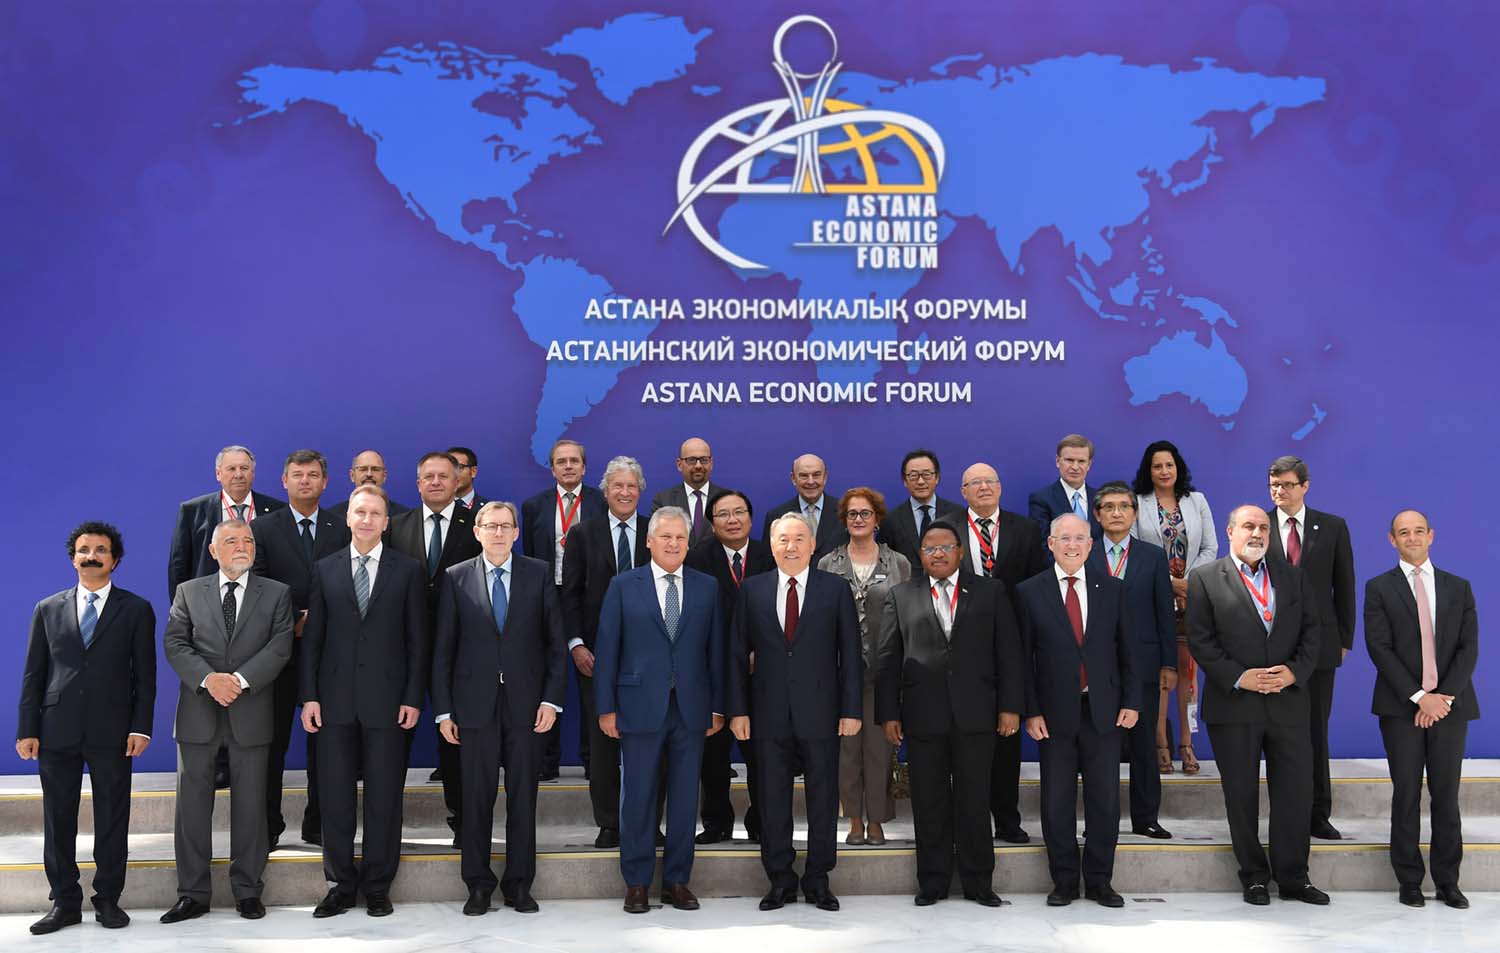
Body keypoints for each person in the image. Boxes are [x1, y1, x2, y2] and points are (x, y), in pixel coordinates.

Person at [16, 522, 156, 935]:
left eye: (100, 550)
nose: (91, 556)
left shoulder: (136, 609)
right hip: (56, 729)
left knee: (112, 817)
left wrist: (141, 728)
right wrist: (27, 729)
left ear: (115, 560)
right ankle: (64, 902)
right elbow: (34, 674)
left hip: (114, 731)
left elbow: (145, 676)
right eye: (83, 550)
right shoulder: (47, 608)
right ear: (73, 558)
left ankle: (108, 899)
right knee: (58, 818)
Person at [875, 519, 1021, 908]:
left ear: (959, 552)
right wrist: (888, 713)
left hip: (978, 714)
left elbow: (1009, 652)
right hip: (923, 716)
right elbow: (887, 659)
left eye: (945, 547)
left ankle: (978, 881)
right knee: (929, 801)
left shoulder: (990, 591)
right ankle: (933, 881)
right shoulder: (901, 595)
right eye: (929, 548)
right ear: (920, 555)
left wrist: (1010, 707)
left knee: (974, 799)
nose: (937, 554)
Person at [1185, 505, 1326, 906]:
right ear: (1230, 531)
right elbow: (1200, 639)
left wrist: (1294, 673)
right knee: (1241, 795)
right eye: (1249, 526)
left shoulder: (1293, 576)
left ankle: (1294, 878)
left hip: (1288, 703)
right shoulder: (1205, 578)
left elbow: (1313, 632)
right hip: (1234, 706)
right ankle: (1254, 877)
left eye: (1263, 527)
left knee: (1295, 794)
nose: (1258, 533)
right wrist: (1238, 676)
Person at [433, 501, 566, 916]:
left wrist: (551, 700)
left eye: (506, 526)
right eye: (490, 526)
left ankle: (519, 884)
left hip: (527, 707)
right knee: (476, 798)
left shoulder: (538, 573)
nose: (498, 533)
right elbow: (443, 650)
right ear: (477, 532)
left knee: (523, 798)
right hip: (474, 707)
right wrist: (444, 711)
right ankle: (477, 884)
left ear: (516, 533)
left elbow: (556, 645)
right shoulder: (456, 577)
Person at [299, 485, 426, 919]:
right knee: (335, 797)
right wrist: (309, 696)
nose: (367, 519)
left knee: (384, 798)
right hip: (333, 703)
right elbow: (313, 641)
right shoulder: (325, 569)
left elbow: (417, 642)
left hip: (389, 704)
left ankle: (376, 885)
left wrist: (413, 697)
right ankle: (339, 885)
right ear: (348, 518)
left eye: (375, 513)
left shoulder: (408, 570)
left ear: (386, 522)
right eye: (360, 512)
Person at [160, 519, 295, 922]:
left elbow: (280, 646)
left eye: (248, 540)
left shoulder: (277, 593)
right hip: (198, 711)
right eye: (231, 540)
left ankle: (248, 891)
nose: (241, 546)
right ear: (213, 550)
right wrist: (209, 680)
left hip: (250, 710)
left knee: (252, 807)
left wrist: (238, 681)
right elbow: (175, 642)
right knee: (191, 809)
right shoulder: (188, 591)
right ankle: (192, 894)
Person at [594, 507, 725, 915]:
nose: (673, 544)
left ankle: (677, 881)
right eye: (665, 537)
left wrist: (717, 706)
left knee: (685, 799)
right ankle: (636, 882)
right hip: (637, 706)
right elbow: (608, 649)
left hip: (691, 709)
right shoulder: (623, 585)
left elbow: (716, 652)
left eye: (680, 537)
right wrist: (606, 708)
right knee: (637, 797)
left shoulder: (707, 587)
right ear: (649, 541)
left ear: (689, 543)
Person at [730, 512, 862, 913]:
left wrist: (851, 709)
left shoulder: (834, 589)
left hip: (822, 713)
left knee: (823, 800)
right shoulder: (752, 590)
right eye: (783, 539)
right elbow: (736, 655)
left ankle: (819, 879)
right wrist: (738, 711)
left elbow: (850, 655)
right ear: (772, 546)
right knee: (771, 802)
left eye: (799, 538)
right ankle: (780, 880)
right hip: (767, 715)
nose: (791, 546)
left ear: (813, 544)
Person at [1019, 514, 1138, 908]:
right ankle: (1065, 881)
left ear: (1091, 545)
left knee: (1105, 800)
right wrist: (1031, 711)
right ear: (1051, 544)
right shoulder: (1029, 591)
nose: (1072, 545)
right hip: (1053, 717)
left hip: (1104, 712)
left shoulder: (1114, 590)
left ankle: (1101, 881)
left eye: (1079, 539)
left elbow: (1130, 651)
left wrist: (1132, 701)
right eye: (1064, 538)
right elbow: (1022, 659)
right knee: (1057, 801)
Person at [1364, 510, 1478, 909]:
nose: (1411, 538)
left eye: (1418, 531)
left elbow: (1468, 648)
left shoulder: (1458, 587)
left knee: (1446, 795)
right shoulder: (1379, 588)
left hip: (1450, 707)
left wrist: (1441, 697)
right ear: (1392, 540)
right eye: (1403, 532)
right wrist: (1418, 696)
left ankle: (1448, 881)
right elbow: (1380, 648)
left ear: (1431, 536)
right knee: (1406, 793)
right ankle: (1409, 880)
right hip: (1401, 708)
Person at [250, 449, 351, 849]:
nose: (305, 481)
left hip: (329, 654)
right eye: (297, 474)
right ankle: (268, 826)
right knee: (271, 744)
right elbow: (256, 582)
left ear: (325, 482)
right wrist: (292, 619)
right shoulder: (262, 528)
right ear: (284, 481)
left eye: (312, 475)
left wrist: (319, 621)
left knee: (326, 746)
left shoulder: (342, 527)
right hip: (277, 653)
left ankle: (318, 824)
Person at [385, 451, 481, 844]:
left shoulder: (477, 524)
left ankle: (464, 822)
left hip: (460, 650)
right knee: (393, 739)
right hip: (401, 649)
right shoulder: (396, 525)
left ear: (458, 481)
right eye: (429, 477)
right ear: (418, 483)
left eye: (444, 476)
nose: (437, 482)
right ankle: (387, 825)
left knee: (457, 741)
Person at [560, 456, 651, 847]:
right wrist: (576, 644)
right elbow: (570, 594)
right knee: (602, 743)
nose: (625, 492)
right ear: (606, 491)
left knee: (649, 742)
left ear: (640, 490)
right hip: (596, 656)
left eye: (631, 486)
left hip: (649, 658)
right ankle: (610, 822)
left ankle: (647, 821)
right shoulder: (583, 534)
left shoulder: (656, 531)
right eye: (618, 486)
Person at [1265, 456, 1356, 840]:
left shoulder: (1332, 526)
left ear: (1305, 486)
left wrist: (1344, 639)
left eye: (1287, 485)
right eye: (1274, 485)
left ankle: (1319, 813)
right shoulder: (1259, 525)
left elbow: (1344, 585)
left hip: (1320, 644)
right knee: (1279, 733)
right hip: (1272, 645)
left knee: (1316, 730)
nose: (1280, 491)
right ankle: (1286, 811)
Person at [958, 461, 1045, 844]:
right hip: (961, 645)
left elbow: (1036, 585)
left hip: (1011, 643)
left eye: (990, 481)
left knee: (1007, 740)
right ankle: (970, 821)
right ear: (963, 491)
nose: (983, 487)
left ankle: (1007, 819)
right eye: (974, 483)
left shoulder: (1024, 529)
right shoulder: (946, 528)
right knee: (967, 743)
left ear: (1000, 487)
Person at [817, 487, 909, 847]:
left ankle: (877, 820)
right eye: (852, 514)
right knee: (847, 750)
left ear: (877, 519)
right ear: (844, 520)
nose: (858, 519)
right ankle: (854, 819)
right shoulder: (828, 563)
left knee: (879, 749)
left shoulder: (898, 563)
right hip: (840, 671)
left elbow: (906, 616)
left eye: (865, 513)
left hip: (884, 670)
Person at [1087, 482, 1177, 838]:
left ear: (1135, 514)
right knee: (1099, 749)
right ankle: (1100, 821)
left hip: (1143, 665)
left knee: (1143, 745)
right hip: (1095, 667)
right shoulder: (1084, 552)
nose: (1116, 513)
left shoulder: (1152, 556)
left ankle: (1146, 818)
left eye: (1124, 506)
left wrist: (1168, 663)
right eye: (1108, 507)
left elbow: (1164, 613)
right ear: (1097, 515)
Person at [685, 488, 773, 843]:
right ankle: (716, 821)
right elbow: (694, 618)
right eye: (723, 514)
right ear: (712, 523)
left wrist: (761, 651)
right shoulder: (696, 558)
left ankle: (762, 819)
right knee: (713, 753)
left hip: (762, 672)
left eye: (739, 512)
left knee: (762, 753)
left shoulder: (771, 554)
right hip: (714, 672)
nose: (732, 520)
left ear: (751, 518)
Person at [521, 438, 605, 780]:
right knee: (545, 678)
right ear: (552, 468)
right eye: (561, 461)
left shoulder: (602, 503)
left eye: (574, 461)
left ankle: (593, 759)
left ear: (584, 467)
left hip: (588, 598)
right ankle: (546, 761)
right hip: (547, 595)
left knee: (591, 678)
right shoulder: (533, 506)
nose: (568, 466)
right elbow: (529, 555)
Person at [1131, 440, 1217, 775]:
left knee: (1187, 673)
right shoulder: (1138, 502)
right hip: (1153, 597)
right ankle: (1160, 745)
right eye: (1157, 466)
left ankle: (1186, 743)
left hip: (1192, 599)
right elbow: (1135, 549)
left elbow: (1210, 546)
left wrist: (1188, 584)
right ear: (1148, 470)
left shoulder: (1197, 500)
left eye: (1169, 465)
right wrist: (1170, 583)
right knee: (1161, 674)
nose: (1164, 471)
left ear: (1178, 467)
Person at [168, 444, 285, 600]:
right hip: (208, 602)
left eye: (244, 468)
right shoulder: (193, 511)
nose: (238, 474)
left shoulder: (277, 510)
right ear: (218, 474)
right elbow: (179, 566)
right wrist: (182, 607)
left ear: (253, 473)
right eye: (231, 469)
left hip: (263, 601)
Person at [876, 448, 961, 570]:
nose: (920, 481)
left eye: (926, 474)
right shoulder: (890, 519)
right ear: (905, 481)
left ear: (937, 478)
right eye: (914, 475)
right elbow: (884, 561)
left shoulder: (956, 514)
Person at [762, 453, 847, 562]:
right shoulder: (776, 515)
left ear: (825, 477)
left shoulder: (844, 511)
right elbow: (768, 562)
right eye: (803, 476)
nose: (810, 481)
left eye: (816, 475)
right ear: (793, 478)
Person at [1027, 434, 1102, 540]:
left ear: (1089, 464)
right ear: (1058, 461)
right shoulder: (1041, 499)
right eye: (1069, 460)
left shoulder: (1100, 498)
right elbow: (1042, 542)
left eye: (1081, 461)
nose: (1075, 467)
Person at [649, 437, 722, 545]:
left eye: (704, 460)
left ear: (711, 463)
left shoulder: (725, 499)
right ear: (679, 464)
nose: (698, 465)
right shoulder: (663, 500)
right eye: (691, 460)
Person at [326, 450, 410, 519]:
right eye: (363, 469)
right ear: (352, 475)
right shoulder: (333, 517)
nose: (369, 474)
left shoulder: (403, 517)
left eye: (375, 469)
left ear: (384, 476)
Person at [447, 446, 490, 511]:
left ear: (473, 472)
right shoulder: (434, 507)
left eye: (459, 467)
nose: (453, 473)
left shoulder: (488, 509)